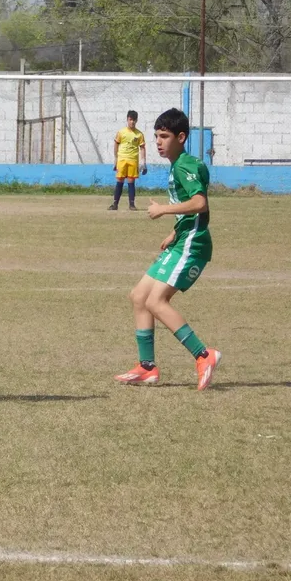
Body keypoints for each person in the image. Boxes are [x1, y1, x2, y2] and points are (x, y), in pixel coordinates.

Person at [114, 108, 222, 390]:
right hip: (182, 239)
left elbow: (200, 203)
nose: (158, 142)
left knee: (155, 301)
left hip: (193, 243)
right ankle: (147, 367)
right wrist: (174, 232)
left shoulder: (185, 166)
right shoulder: (178, 165)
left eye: (164, 136)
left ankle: (204, 355)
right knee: (139, 296)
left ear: (181, 137)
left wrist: (163, 210)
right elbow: (192, 207)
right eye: (156, 136)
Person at [110, 110, 147, 211]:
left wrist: (143, 162)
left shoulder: (139, 134)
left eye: (134, 120)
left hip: (133, 161)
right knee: (120, 181)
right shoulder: (121, 132)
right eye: (130, 119)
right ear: (127, 119)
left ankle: (132, 205)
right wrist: (115, 159)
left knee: (131, 182)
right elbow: (116, 145)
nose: (132, 122)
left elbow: (142, 148)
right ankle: (115, 204)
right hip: (122, 160)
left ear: (136, 120)